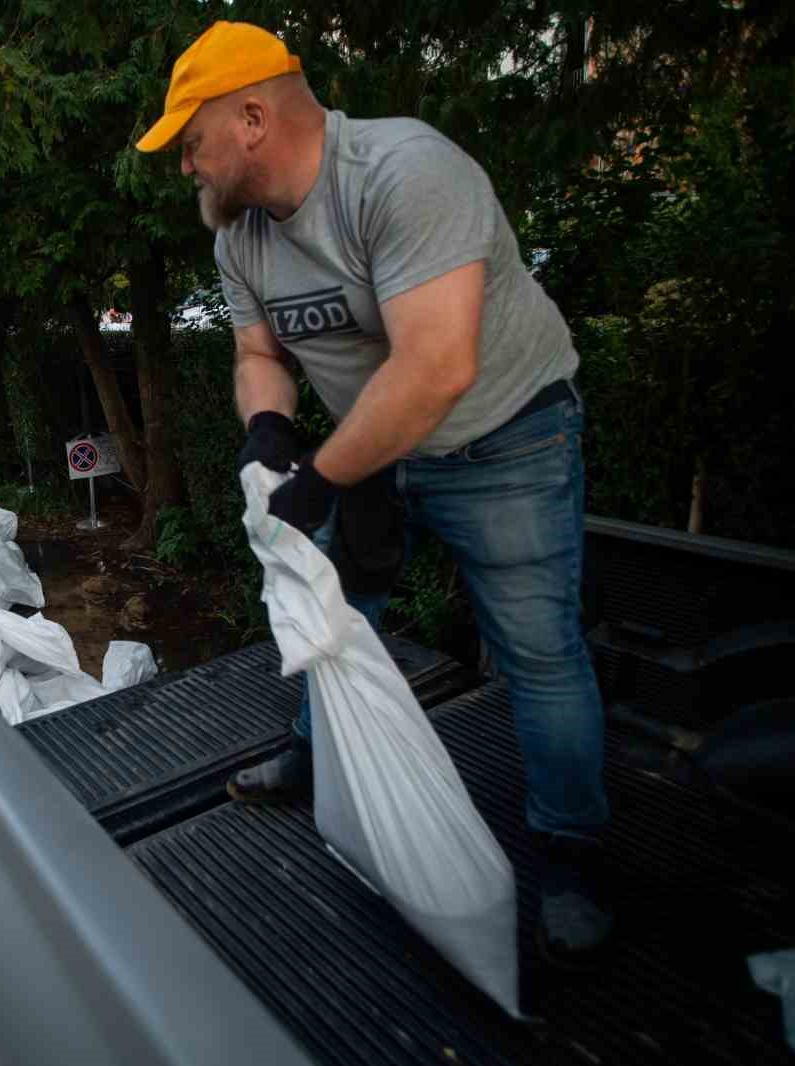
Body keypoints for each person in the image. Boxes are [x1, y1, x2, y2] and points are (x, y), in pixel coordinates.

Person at [136, 21, 612, 963]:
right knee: (332, 613)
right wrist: (268, 429)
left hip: (502, 439)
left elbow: (437, 367)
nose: (184, 164)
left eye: (191, 141)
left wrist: (322, 479)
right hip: (373, 449)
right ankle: (323, 757)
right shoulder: (240, 238)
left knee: (539, 655)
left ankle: (571, 852)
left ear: (254, 117)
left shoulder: (404, 172)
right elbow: (256, 352)